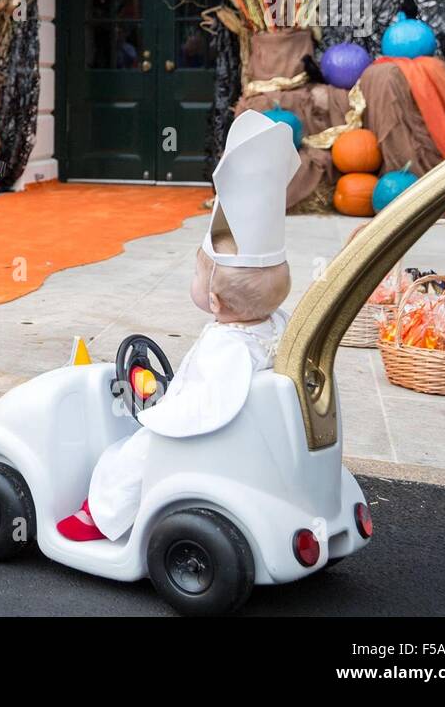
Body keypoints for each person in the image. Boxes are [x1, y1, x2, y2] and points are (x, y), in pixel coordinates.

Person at [57, 110, 299, 541]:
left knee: (134, 454)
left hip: (207, 438)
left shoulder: (228, 348)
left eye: (195, 273)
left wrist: (160, 413)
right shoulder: (276, 324)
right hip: (252, 439)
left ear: (214, 299)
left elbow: (202, 409)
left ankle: (102, 514)